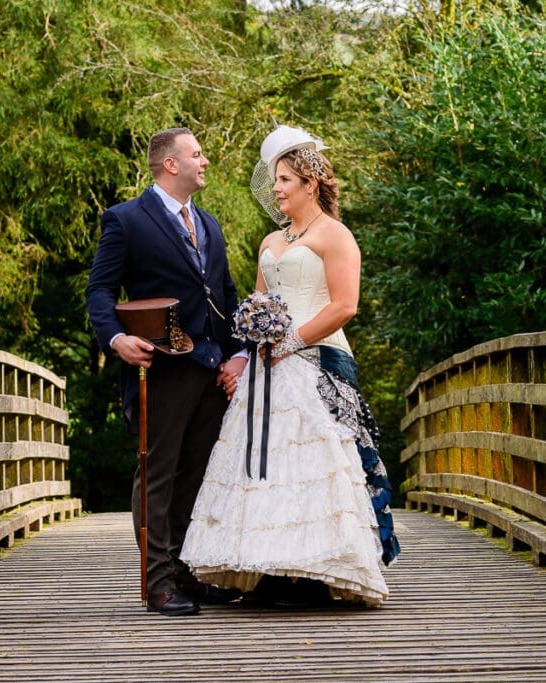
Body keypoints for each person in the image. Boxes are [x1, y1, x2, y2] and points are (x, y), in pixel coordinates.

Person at [179, 125, 401, 607]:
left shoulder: (335, 236)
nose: (275, 189)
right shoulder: (271, 240)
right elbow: (260, 302)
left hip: (315, 362)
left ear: (310, 182)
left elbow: (344, 305)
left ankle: (313, 574)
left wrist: (292, 342)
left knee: (312, 462)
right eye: (274, 180)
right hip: (267, 367)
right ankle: (269, 569)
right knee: (266, 462)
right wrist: (249, 349)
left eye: (283, 180)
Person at [86, 127, 248, 616]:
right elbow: (100, 291)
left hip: (211, 370)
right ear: (171, 164)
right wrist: (117, 339)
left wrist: (238, 354)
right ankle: (157, 582)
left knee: (197, 475)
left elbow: (226, 295)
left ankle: (187, 574)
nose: (205, 161)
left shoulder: (209, 224)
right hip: (159, 369)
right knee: (157, 475)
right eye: (197, 154)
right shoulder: (125, 219)